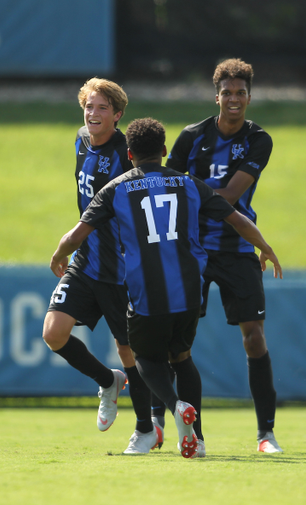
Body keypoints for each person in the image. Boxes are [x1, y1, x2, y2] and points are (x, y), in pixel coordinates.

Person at [49, 117, 282, 458]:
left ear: (129, 154)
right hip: (189, 289)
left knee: (144, 358)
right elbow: (236, 218)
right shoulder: (190, 184)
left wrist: (59, 253)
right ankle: (197, 440)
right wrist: (266, 247)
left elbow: (77, 235)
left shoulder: (116, 189)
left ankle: (176, 409)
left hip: (146, 292)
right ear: (164, 151)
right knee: (183, 357)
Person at [166, 58, 283, 453]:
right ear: (216, 96)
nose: (234, 100)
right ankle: (194, 436)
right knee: (180, 346)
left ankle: (266, 435)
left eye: (241, 93)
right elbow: (168, 190)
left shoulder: (259, 140)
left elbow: (230, 196)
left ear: (249, 96)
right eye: (227, 93)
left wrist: (191, 190)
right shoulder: (190, 137)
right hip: (192, 249)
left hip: (236, 249)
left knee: (254, 339)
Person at [42, 78, 163, 455]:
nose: (93, 114)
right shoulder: (80, 139)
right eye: (89, 106)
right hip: (85, 261)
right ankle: (107, 382)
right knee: (53, 332)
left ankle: (145, 429)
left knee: (128, 350)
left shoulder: (126, 153)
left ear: (118, 115)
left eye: (102, 109)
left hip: (119, 268)